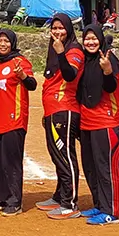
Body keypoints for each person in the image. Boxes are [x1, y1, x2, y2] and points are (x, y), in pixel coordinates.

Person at [38, 13, 84, 219]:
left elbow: (70, 75)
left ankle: (70, 202)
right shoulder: (56, 50)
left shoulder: (73, 50)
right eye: (54, 28)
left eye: (61, 28)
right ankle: (59, 195)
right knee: (56, 155)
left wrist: (60, 53)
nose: (57, 32)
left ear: (69, 29)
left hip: (65, 110)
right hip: (53, 110)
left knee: (65, 156)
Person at [77, 23, 119, 226]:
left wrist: (107, 71)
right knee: (91, 167)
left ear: (100, 39)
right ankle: (99, 203)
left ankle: (110, 210)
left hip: (106, 121)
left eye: (94, 38)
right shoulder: (86, 61)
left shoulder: (109, 59)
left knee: (106, 168)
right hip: (87, 122)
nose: (90, 42)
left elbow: (114, 87)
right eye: (87, 38)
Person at [0, 28, 35, 216]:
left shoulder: (20, 62)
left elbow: (32, 85)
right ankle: (2, 196)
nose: (3, 44)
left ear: (13, 43)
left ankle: (15, 201)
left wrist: (22, 76)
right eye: (0, 41)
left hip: (14, 120)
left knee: (11, 162)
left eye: (6, 41)